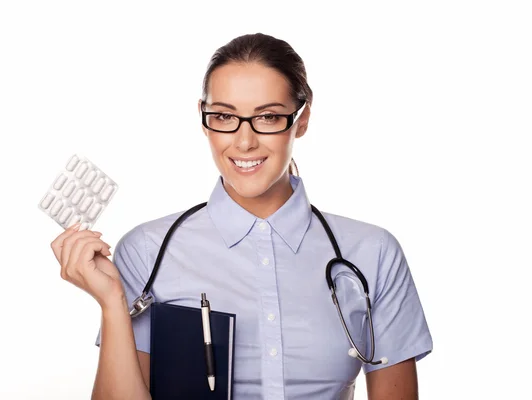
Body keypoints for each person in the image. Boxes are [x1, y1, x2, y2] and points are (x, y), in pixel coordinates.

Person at [51, 32, 433, 400]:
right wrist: (113, 303)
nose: (244, 141)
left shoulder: (372, 253)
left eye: (267, 117)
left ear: (301, 119)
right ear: (204, 117)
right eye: (224, 116)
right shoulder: (147, 252)